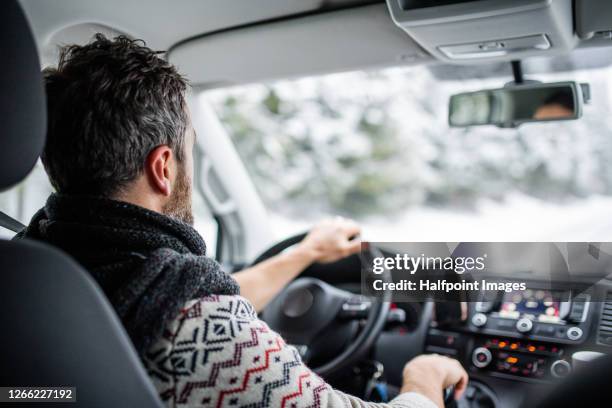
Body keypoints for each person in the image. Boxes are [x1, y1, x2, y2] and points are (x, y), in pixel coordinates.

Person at [18, 34, 467, 407]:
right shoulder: (197, 332)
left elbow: (182, 299)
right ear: (163, 167)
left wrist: (306, 254)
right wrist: (424, 376)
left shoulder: (35, 266)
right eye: (190, 152)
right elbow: (203, 319)